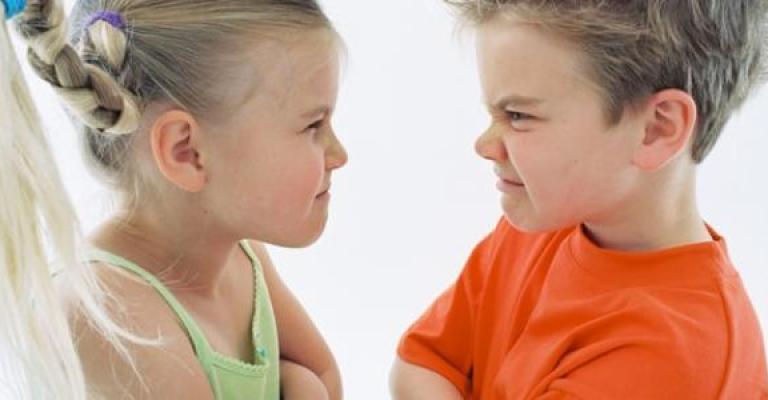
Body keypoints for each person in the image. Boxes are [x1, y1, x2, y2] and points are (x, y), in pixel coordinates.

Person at [391, 1, 768, 398]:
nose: (485, 145)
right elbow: (421, 364)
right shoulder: (542, 225)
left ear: (656, 129)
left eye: (518, 115)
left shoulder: (670, 357)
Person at [14, 0, 347, 398]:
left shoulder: (242, 258)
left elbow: (325, 374)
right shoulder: (111, 320)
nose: (339, 154)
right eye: (313, 125)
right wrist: (303, 385)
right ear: (186, 151)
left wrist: (304, 381)